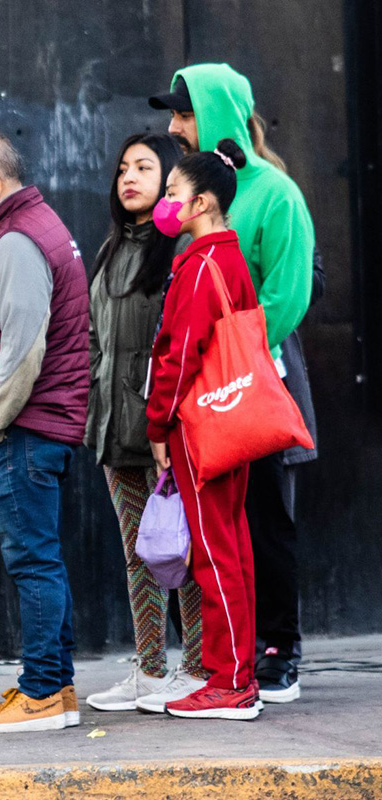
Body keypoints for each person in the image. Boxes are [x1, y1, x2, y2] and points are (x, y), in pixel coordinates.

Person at [150, 64, 315, 703]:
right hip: (206, 387)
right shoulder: (198, 192)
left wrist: (226, 351)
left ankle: (269, 657)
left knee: (259, 528)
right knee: (227, 535)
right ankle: (233, 666)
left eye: (185, 115)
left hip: (239, 389)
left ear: (215, 113)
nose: (174, 127)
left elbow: (291, 292)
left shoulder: (275, 194)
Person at [0, 130, 89, 733]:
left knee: (33, 564)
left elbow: (23, 347)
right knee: (42, 561)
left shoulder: (16, 240)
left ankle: (41, 696)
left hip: (21, 430)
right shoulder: (29, 226)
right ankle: (55, 686)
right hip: (35, 426)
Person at [83, 133, 213, 715]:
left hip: (166, 430)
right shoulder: (112, 249)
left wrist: (168, 422)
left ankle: (197, 668)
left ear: (171, 181)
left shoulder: (177, 251)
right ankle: (151, 668)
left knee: (180, 551)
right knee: (141, 551)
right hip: (115, 427)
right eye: (122, 168)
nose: (129, 177)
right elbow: (94, 341)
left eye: (144, 166)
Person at [145, 139, 263, 720]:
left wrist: (158, 426)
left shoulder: (201, 265)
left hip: (201, 426)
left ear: (205, 203)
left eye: (173, 193)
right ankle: (236, 674)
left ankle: (230, 681)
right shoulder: (230, 258)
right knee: (231, 547)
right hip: (232, 420)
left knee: (214, 556)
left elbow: (177, 356)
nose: (166, 204)